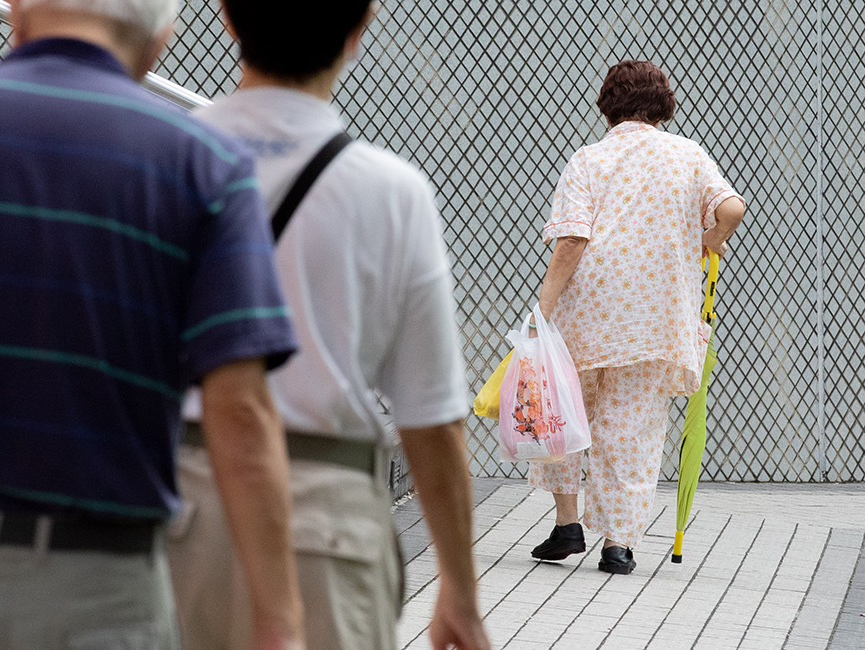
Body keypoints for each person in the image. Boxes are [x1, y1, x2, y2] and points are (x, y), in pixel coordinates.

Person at [0, 1, 306, 648]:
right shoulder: (205, 167)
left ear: (20, 13)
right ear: (161, 40)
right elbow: (241, 414)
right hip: (104, 593)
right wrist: (279, 621)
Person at [168, 2, 491, 649]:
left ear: (227, 18)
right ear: (360, 27)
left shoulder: (160, 160)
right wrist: (458, 584)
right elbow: (430, 418)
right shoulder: (393, 192)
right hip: (328, 525)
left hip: (175, 512)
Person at [527, 60, 745, 575]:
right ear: (662, 104)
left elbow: (573, 239)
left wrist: (543, 307)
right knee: (633, 430)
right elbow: (732, 208)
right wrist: (708, 243)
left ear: (609, 104)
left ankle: (567, 524)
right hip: (656, 321)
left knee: (564, 415)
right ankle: (619, 544)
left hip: (589, 318)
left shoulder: (590, 159)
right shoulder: (688, 155)